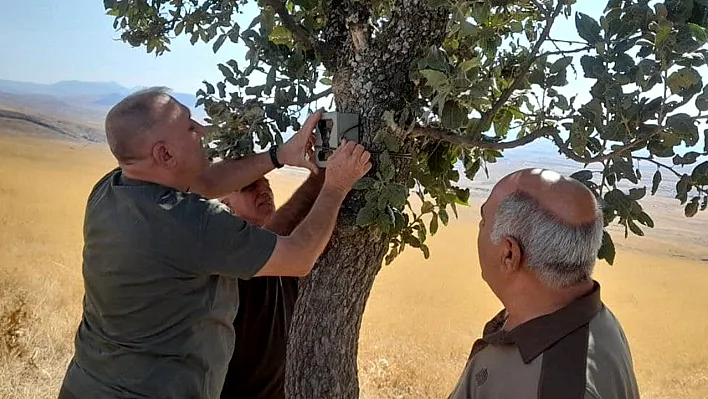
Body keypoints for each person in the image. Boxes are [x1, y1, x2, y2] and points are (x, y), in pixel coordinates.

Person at [57, 87, 371, 399]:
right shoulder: (190, 222)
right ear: (165, 154)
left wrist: (280, 155)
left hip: (84, 384)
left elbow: (205, 183)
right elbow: (300, 256)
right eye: (190, 128)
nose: (202, 130)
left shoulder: (111, 189)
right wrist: (336, 184)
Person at [448, 168, 640, 399]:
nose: (479, 229)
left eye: (483, 221)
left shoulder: (560, 388)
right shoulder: (583, 316)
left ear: (509, 254)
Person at [218, 173, 324, 399]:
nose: (263, 189)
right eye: (249, 185)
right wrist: (325, 177)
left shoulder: (289, 257)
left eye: (265, 182)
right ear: (225, 204)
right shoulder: (229, 254)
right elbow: (279, 230)